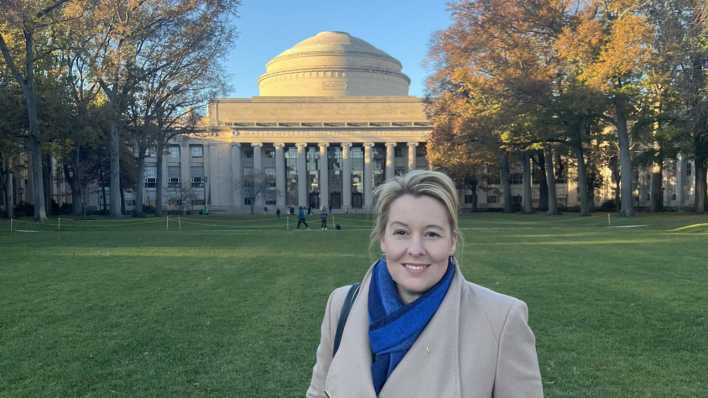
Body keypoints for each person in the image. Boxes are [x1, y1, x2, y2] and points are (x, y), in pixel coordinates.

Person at [307, 170, 543, 398]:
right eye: (401, 232)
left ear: (452, 241)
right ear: (383, 239)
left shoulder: (501, 319)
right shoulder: (341, 306)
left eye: (432, 234)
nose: (416, 250)